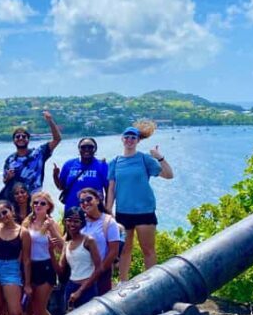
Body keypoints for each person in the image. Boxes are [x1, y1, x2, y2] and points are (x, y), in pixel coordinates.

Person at [106, 122, 174, 278]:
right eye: (127, 137)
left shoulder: (145, 159)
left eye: (133, 137)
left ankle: (151, 282)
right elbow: (111, 188)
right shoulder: (115, 162)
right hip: (123, 212)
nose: (130, 140)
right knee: (124, 250)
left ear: (138, 140)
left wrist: (160, 157)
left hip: (144, 211)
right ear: (122, 139)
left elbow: (169, 175)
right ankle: (123, 283)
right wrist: (109, 211)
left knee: (148, 250)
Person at [0, 110, 61, 200]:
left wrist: (50, 121)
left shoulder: (39, 153)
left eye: (24, 136)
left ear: (28, 139)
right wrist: (8, 177)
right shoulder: (10, 160)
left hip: (35, 200)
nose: (21, 138)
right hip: (17, 201)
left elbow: (57, 139)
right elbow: (5, 181)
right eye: (17, 136)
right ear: (13, 140)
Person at [23, 192, 63, 315]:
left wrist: (52, 229)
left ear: (49, 206)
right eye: (35, 202)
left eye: (42, 203)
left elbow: (62, 248)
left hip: (46, 266)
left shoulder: (52, 223)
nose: (38, 205)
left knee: (40, 308)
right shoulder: (28, 222)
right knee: (33, 306)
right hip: (30, 267)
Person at [56, 207, 102, 309]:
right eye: (69, 220)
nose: (72, 224)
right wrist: (50, 251)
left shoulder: (88, 241)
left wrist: (80, 291)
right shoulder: (67, 244)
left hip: (88, 287)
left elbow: (99, 268)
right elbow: (60, 270)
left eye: (76, 221)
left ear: (82, 223)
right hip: (71, 286)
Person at [78, 187, 121, 295]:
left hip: (100, 275)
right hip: (80, 272)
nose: (85, 203)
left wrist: (99, 271)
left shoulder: (109, 222)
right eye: (82, 201)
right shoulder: (79, 221)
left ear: (97, 200)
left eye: (88, 199)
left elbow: (113, 252)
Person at [53, 137, 109, 212]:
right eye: (83, 147)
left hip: (94, 211)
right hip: (72, 212)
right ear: (79, 149)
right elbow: (61, 187)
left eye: (90, 147)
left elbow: (108, 190)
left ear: (95, 149)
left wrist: (108, 209)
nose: (87, 149)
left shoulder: (102, 165)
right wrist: (55, 176)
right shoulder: (69, 164)